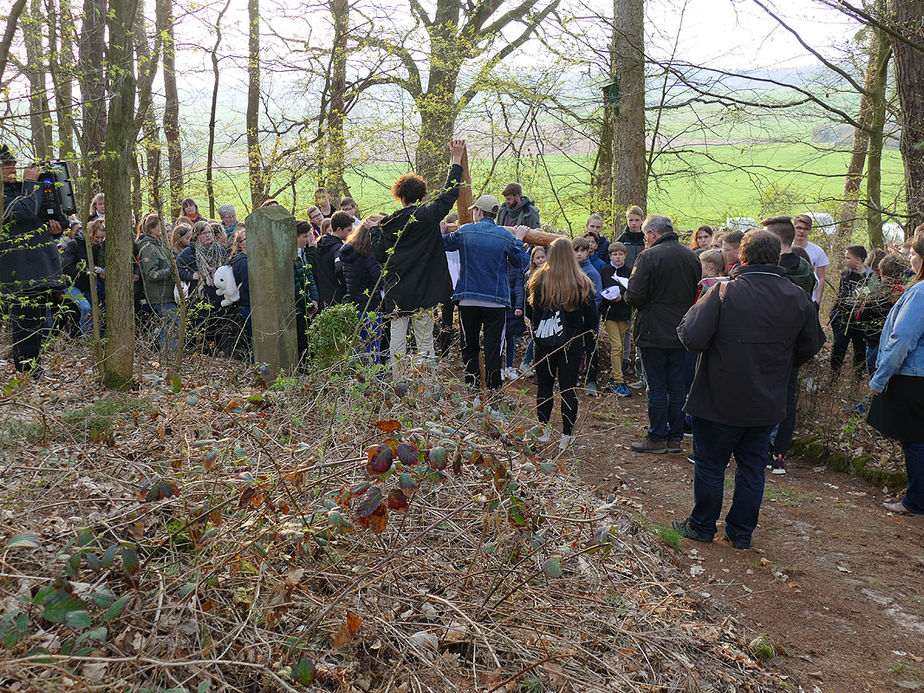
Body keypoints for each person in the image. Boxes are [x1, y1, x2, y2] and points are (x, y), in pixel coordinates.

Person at [673, 230, 825, 548]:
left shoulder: (724, 292)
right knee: (753, 469)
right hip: (766, 401)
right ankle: (741, 533)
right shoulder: (797, 296)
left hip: (717, 399)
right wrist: (781, 364)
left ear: (741, 258)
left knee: (711, 465)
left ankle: (702, 526)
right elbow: (812, 345)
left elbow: (691, 338)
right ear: (776, 258)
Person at [376, 139, 465, 367]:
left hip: (397, 290)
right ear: (422, 196)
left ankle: (398, 387)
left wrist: (375, 231)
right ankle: (426, 389)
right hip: (425, 291)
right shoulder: (427, 216)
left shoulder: (389, 223)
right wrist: (456, 158)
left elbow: (379, 255)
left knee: (397, 342)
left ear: (401, 196)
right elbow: (449, 194)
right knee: (425, 342)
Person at [625, 214, 701, 453]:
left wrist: (629, 296)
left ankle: (657, 436)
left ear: (652, 234)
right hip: (682, 330)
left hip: (653, 331)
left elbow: (635, 295)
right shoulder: (692, 257)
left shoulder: (648, 256)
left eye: (646, 235)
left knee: (656, 386)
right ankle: (675, 438)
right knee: (677, 386)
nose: (645, 239)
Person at [442, 194, 529, 390]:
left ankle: (472, 395)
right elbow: (521, 262)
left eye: (474, 210)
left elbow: (444, 245)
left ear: (479, 211)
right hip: (496, 302)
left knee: (470, 348)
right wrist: (518, 240)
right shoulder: (505, 236)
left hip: (468, 300)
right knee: (494, 351)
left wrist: (440, 232)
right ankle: (493, 395)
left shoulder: (464, 231)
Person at [867, 225, 924, 515]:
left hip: (913, 377)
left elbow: (901, 339)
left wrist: (880, 377)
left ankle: (915, 501)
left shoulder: (920, 293)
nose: (909, 257)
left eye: (913, 253)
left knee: (915, 440)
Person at [526, 238, 598, 450]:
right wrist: (584, 336)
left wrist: (540, 328)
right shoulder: (581, 282)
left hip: (543, 342)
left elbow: (530, 311)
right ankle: (566, 436)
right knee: (568, 389)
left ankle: (544, 431)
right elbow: (592, 317)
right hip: (571, 344)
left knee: (544, 387)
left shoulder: (538, 279)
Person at [1, 145, 65, 374]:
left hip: (39, 271)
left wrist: (56, 226)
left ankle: (33, 371)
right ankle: (26, 374)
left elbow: (39, 214)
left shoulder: (17, 189)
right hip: (19, 274)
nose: (13, 169)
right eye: (6, 165)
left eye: (12, 164)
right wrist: (30, 183)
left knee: (40, 326)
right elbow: (24, 211)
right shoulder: (5, 195)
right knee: (25, 327)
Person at [761, 216, 816, 475]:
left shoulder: (770, 270)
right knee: (787, 397)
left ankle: (763, 449)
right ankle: (778, 456)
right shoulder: (805, 269)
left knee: (764, 395)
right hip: (793, 347)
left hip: (769, 344)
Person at [177, 219, 230, 354]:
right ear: (197, 236)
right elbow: (176, 269)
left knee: (217, 328)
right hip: (199, 298)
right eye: (204, 233)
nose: (208, 236)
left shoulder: (220, 251)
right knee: (200, 330)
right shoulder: (190, 251)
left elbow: (227, 269)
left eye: (210, 232)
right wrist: (191, 275)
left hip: (217, 296)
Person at [338, 220, 385, 363]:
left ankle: (362, 380)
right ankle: (374, 382)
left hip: (355, 305)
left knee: (361, 349)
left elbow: (342, 276)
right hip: (370, 305)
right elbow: (379, 279)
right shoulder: (368, 254)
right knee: (373, 348)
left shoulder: (348, 253)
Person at [136, 214, 178, 352]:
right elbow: (150, 274)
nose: (165, 229)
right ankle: (168, 354)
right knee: (170, 323)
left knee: (170, 325)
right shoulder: (148, 247)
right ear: (152, 228)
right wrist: (171, 271)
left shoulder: (161, 245)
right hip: (158, 296)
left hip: (168, 294)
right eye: (161, 226)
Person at [830, 244, 872, 380]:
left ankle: (857, 381)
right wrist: (834, 317)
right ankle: (833, 379)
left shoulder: (871, 277)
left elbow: (872, 301)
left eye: (848, 258)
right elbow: (840, 297)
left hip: (860, 321)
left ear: (859, 260)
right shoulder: (846, 275)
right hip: (843, 319)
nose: (845, 260)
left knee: (860, 351)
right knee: (838, 349)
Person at [599, 241, 632, 396]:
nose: (617, 257)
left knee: (621, 345)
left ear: (624, 255)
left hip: (624, 313)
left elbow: (633, 292)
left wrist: (622, 297)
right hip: (610, 313)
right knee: (617, 346)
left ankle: (613, 377)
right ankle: (619, 380)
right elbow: (601, 289)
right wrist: (608, 297)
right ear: (610, 256)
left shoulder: (630, 271)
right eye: (614, 254)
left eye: (620, 254)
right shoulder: (604, 270)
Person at [572, 236, 602, 396]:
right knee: (573, 348)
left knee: (591, 348)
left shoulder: (591, 272)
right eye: (576, 250)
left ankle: (591, 381)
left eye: (582, 251)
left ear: (587, 252)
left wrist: (588, 316)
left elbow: (597, 298)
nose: (579, 254)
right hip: (572, 320)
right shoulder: (569, 271)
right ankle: (572, 378)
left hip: (589, 320)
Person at [315, 211, 353, 308]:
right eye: (349, 230)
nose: (351, 233)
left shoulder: (321, 244)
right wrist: (344, 281)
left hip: (324, 295)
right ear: (339, 229)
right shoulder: (338, 248)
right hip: (337, 296)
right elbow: (339, 268)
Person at [294, 221, 320, 357]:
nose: (308, 240)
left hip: (308, 303)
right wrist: (308, 303)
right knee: (302, 343)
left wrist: (315, 299)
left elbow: (309, 276)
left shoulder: (302, 253)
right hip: (299, 308)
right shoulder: (293, 257)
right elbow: (296, 285)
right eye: (305, 236)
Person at [792, 213, 829, 303]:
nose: (802, 231)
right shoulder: (785, 249)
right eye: (799, 228)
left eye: (806, 229)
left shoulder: (818, 251)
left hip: (810, 299)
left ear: (810, 231)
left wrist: (818, 300)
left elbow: (821, 277)